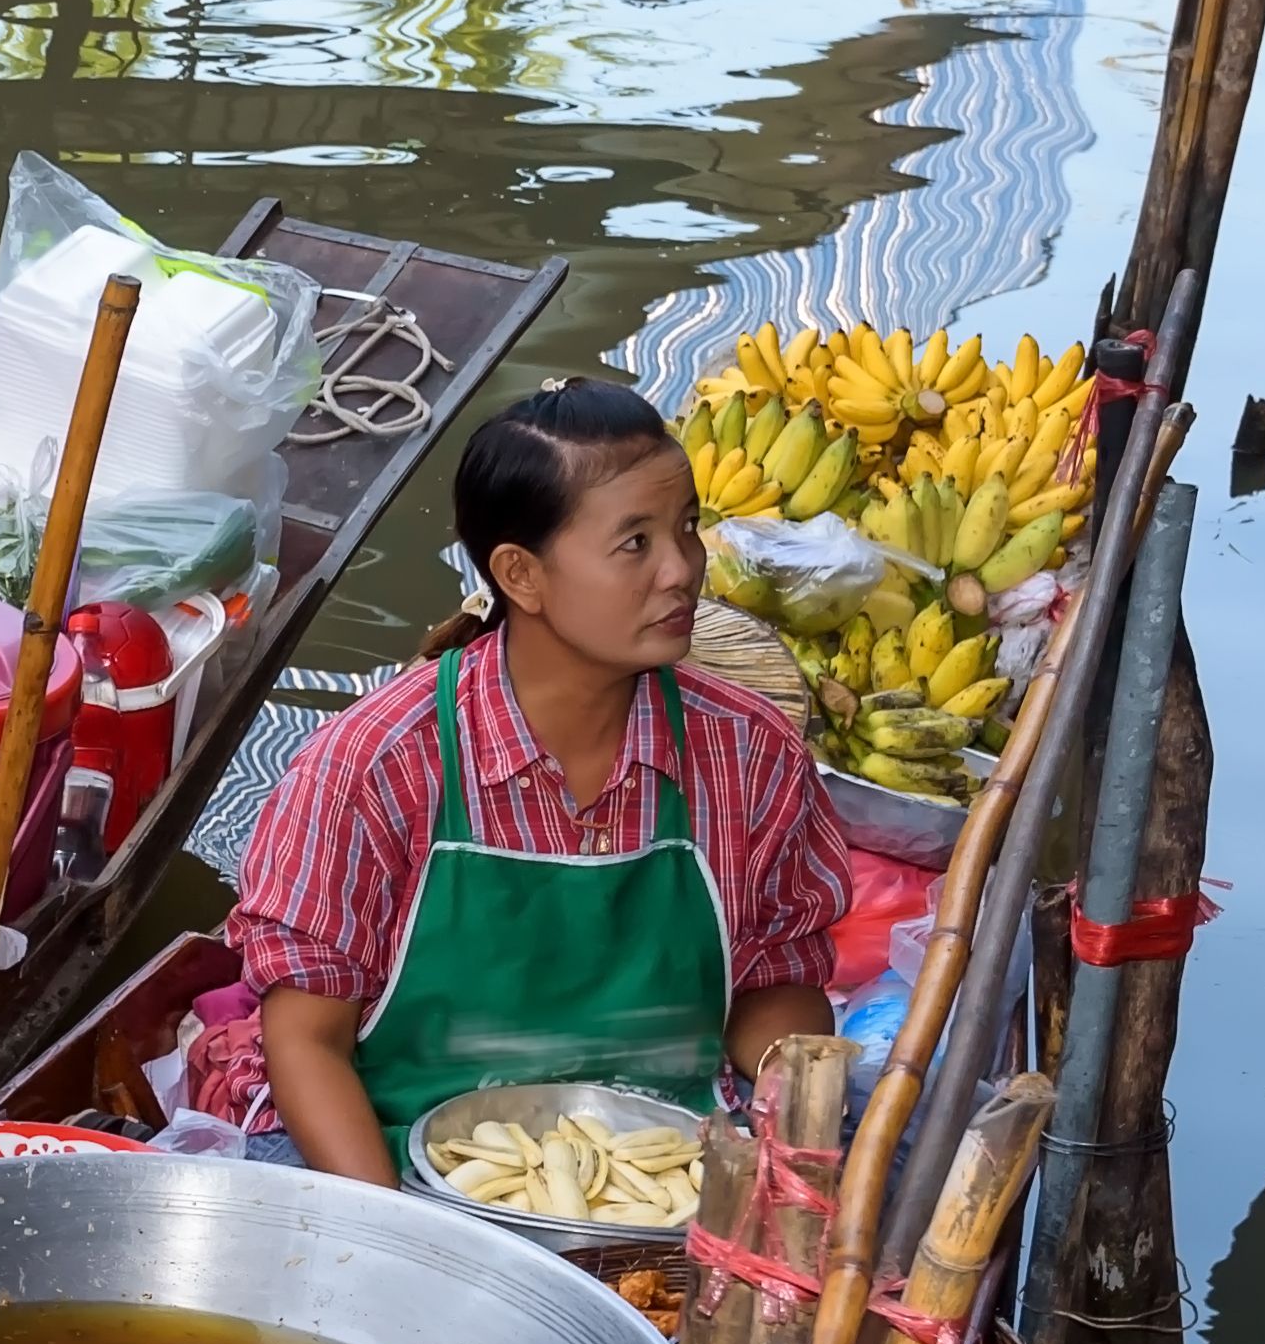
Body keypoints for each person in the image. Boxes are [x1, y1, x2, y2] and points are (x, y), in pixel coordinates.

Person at [235, 378, 850, 1180]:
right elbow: (305, 1040)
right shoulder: (373, 765)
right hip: (399, 1152)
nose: (681, 570)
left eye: (687, 528)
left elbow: (772, 979)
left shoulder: (748, 752)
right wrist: (397, 1239)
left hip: (656, 1169)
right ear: (520, 576)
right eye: (634, 543)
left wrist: (786, 1124)